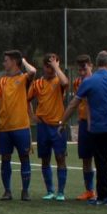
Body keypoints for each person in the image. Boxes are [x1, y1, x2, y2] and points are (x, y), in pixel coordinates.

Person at [61, 51, 107, 206]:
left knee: (101, 162)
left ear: (97, 63)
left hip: (98, 129)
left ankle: (103, 197)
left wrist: (62, 122)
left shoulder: (88, 82)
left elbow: (73, 104)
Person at [0, 50, 37, 200]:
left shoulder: (24, 78)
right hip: (5, 127)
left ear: (13, 61)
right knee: (5, 158)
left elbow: (33, 71)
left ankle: (25, 191)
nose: (4, 63)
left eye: (6, 60)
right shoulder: (1, 81)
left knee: (24, 157)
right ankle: (7, 191)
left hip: (21, 126)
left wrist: (23, 60)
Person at [29, 53, 71, 200]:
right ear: (44, 67)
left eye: (53, 65)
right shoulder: (37, 83)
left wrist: (56, 67)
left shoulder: (59, 81)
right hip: (43, 127)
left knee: (60, 157)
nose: (51, 68)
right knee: (45, 159)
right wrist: (32, 115)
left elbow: (66, 83)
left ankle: (61, 192)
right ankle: (50, 191)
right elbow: (26, 99)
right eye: (48, 65)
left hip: (57, 126)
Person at [71, 55, 97, 200]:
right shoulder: (77, 82)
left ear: (91, 66)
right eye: (79, 69)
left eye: (84, 68)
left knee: (103, 158)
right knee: (86, 158)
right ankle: (89, 190)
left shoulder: (97, 81)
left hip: (97, 123)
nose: (82, 72)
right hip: (83, 123)